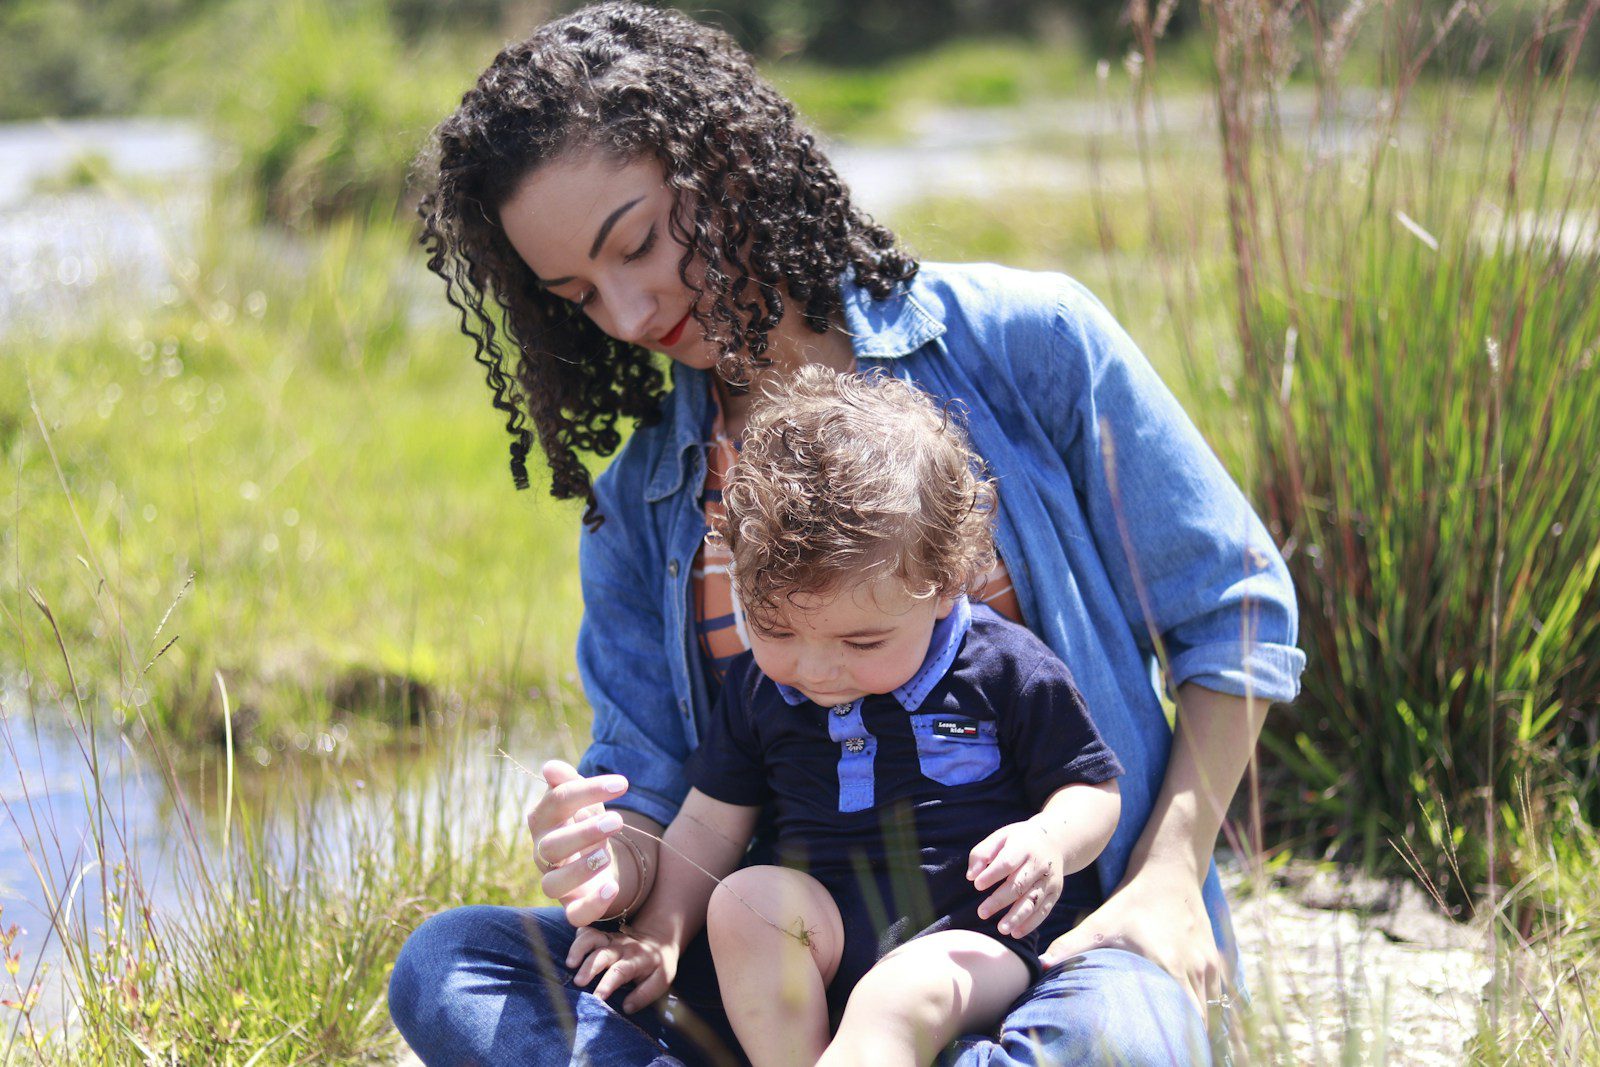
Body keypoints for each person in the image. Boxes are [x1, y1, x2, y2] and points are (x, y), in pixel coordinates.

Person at [388, 3, 1306, 1064]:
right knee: (451, 964)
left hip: (1054, 948)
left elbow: (1237, 613)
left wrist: (1164, 881)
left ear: (726, 159)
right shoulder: (640, 498)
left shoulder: (1026, 341)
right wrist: (609, 858)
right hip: (777, 964)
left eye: (636, 242)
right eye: (578, 294)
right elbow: (656, 793)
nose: (633, 313)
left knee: (1119, 1037)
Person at [567, 366, 1123, 1067]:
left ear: (945, 585)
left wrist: (1048, 838)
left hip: (969, 935)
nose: (818, 669)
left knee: (894, 998)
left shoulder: (1004, 666)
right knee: (744, 900)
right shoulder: (758, 689)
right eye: (777, 630)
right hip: (817, 935)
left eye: (862, 642)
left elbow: (1092, 790)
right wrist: (656, 933)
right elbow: (708, 823)